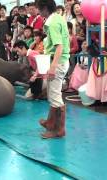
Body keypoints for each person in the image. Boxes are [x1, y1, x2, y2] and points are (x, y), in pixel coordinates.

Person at [36, 0, 70, 139]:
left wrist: (53, 67)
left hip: (58, 62)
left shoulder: (52, 23)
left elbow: (59, 46)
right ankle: (51, 122)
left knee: (55, 96)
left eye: (38, 8)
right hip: (60, 61)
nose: (38, 12)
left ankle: (59, 130)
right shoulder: (58, 18)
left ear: (44, 8)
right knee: (52, 93)